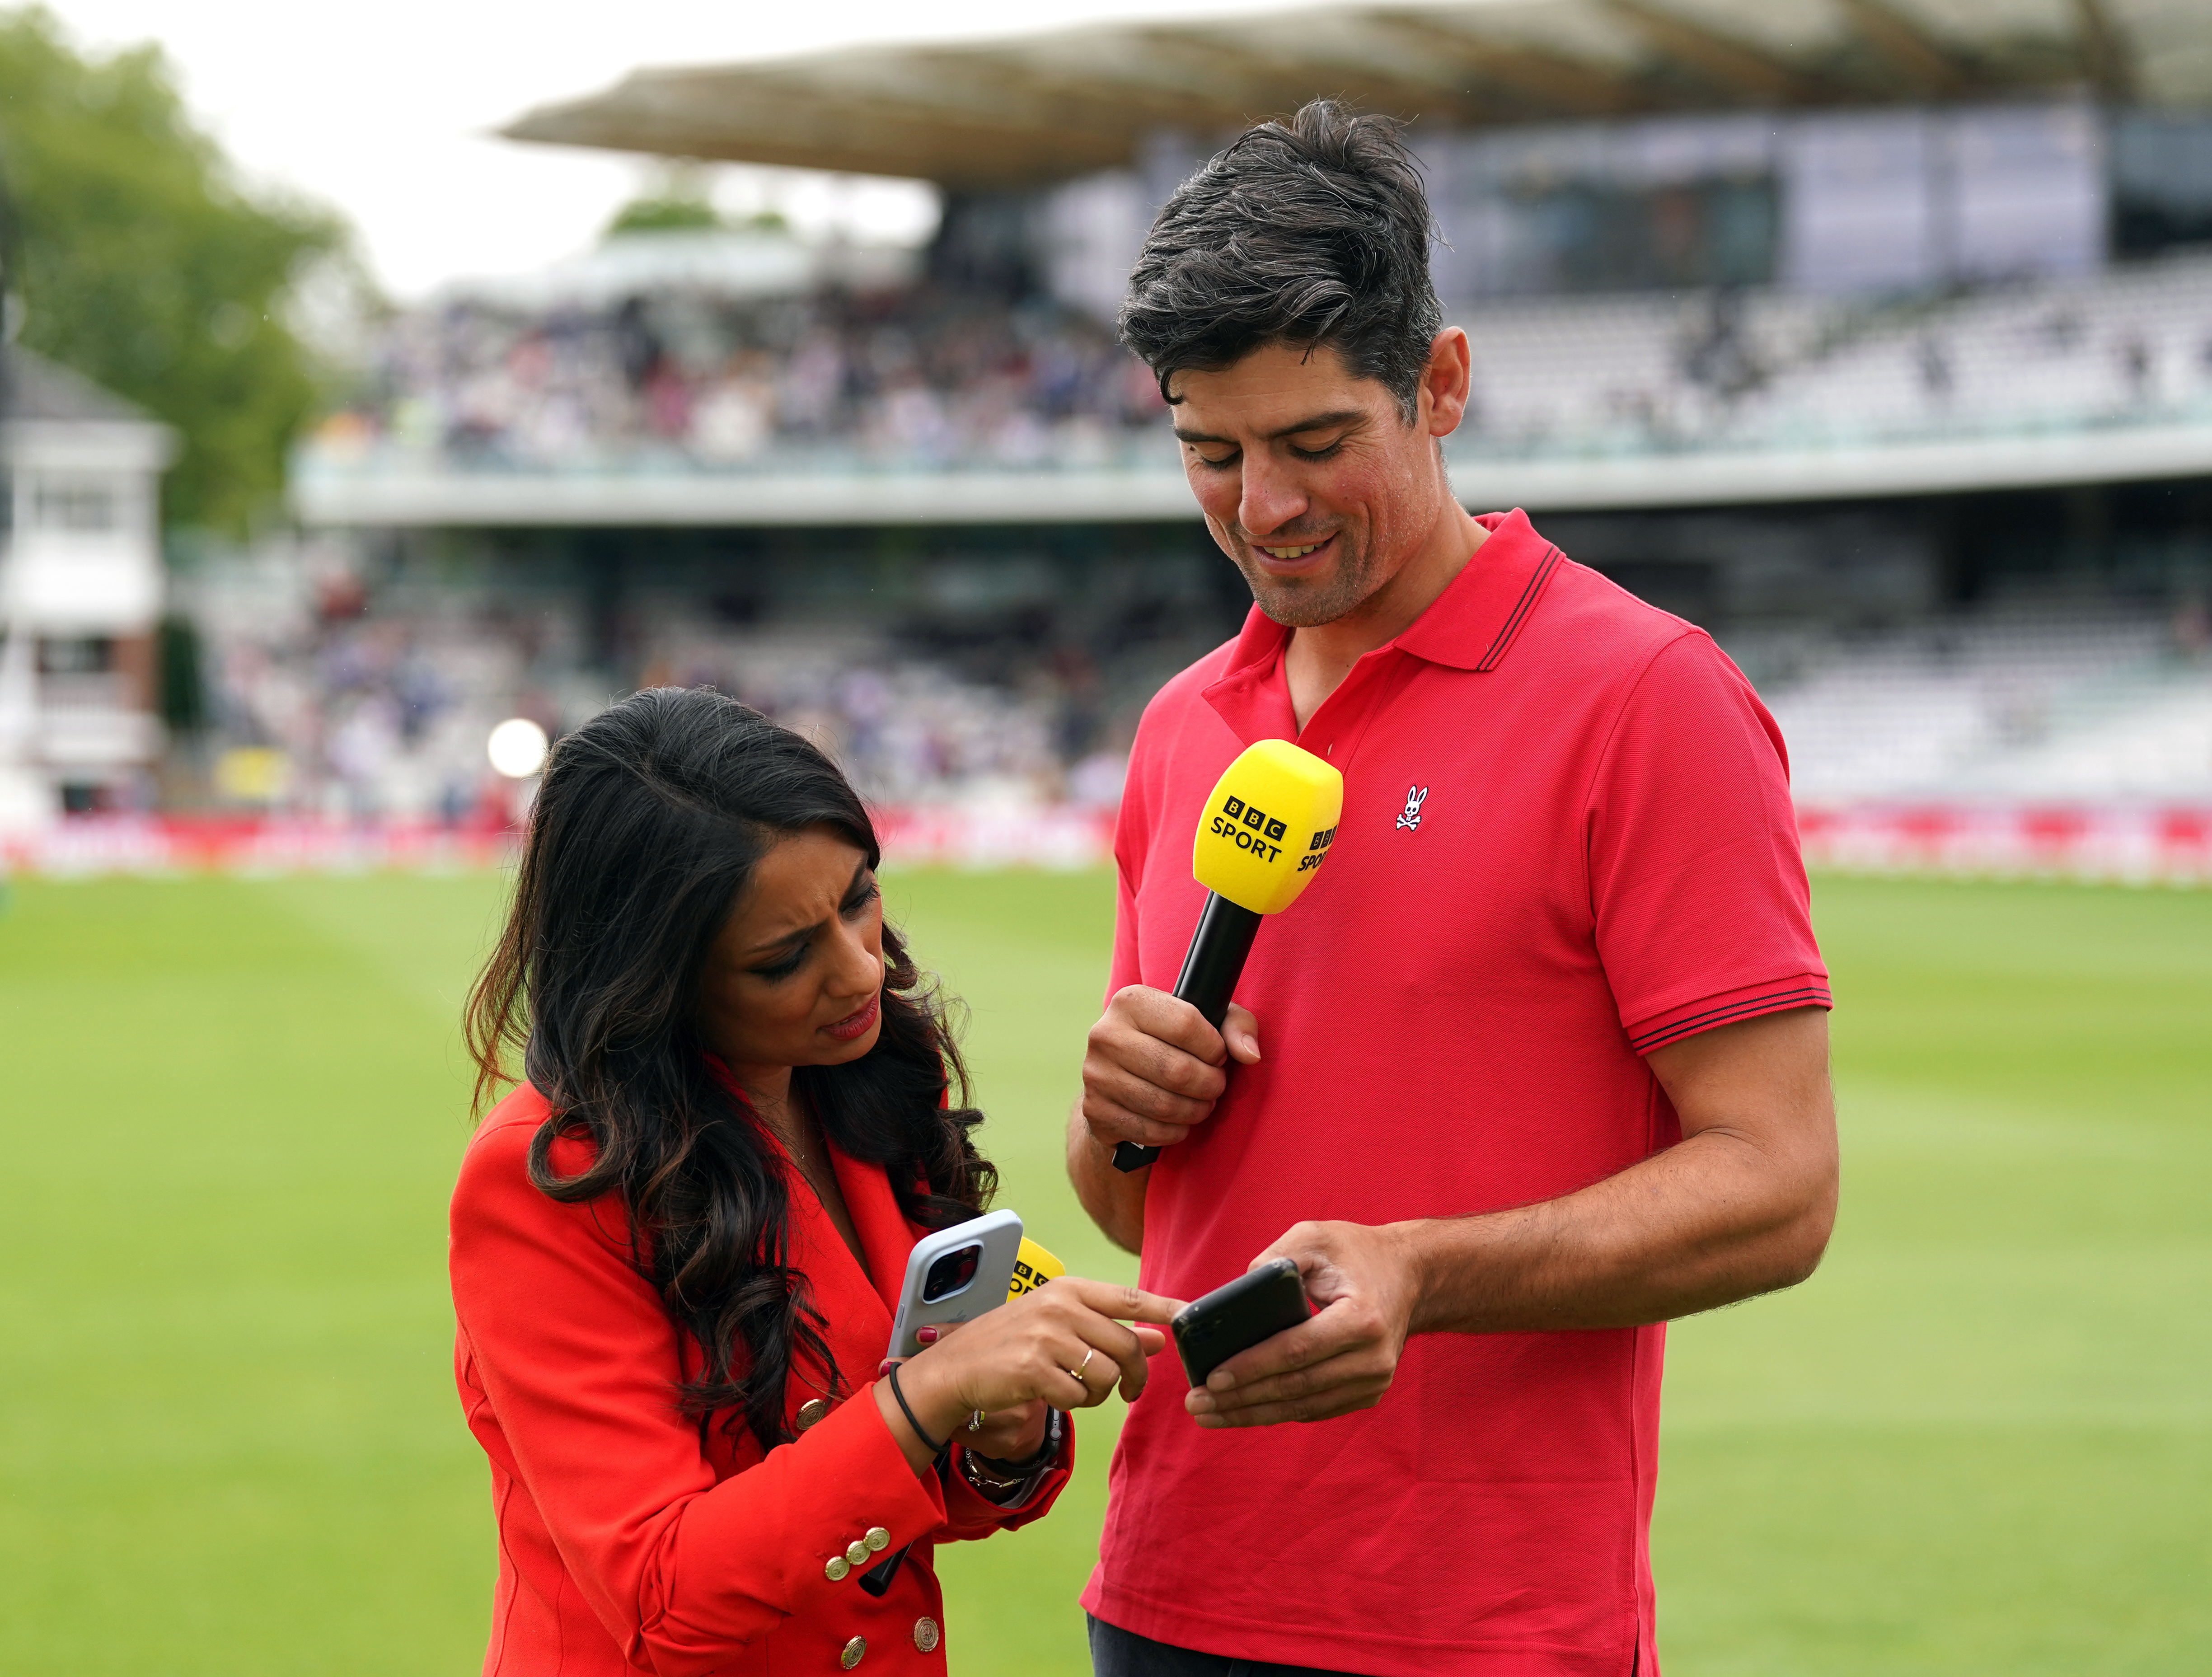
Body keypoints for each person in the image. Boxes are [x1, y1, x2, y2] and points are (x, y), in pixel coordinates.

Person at [1068, 104, 1839, 1677]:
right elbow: (1146, 1210)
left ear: (1440, 382)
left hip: (1480, 1627)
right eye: (1208, 455)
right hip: (1164, 1593)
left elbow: (1778, 1185)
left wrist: (1423, 1269)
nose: (1260, 509)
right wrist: (1113, 1111)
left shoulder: (1644, 697)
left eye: (1311, 444)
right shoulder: (1177, 728)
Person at [452, 687, 1177, 1677]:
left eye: (859, 898)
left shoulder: (857, 1077)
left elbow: (890, 1507)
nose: (861, 972)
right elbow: (665, 1598)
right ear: (654, 981)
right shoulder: (550, 1175)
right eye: (784, 957)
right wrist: (936, 1391)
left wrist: (1001, 1435)